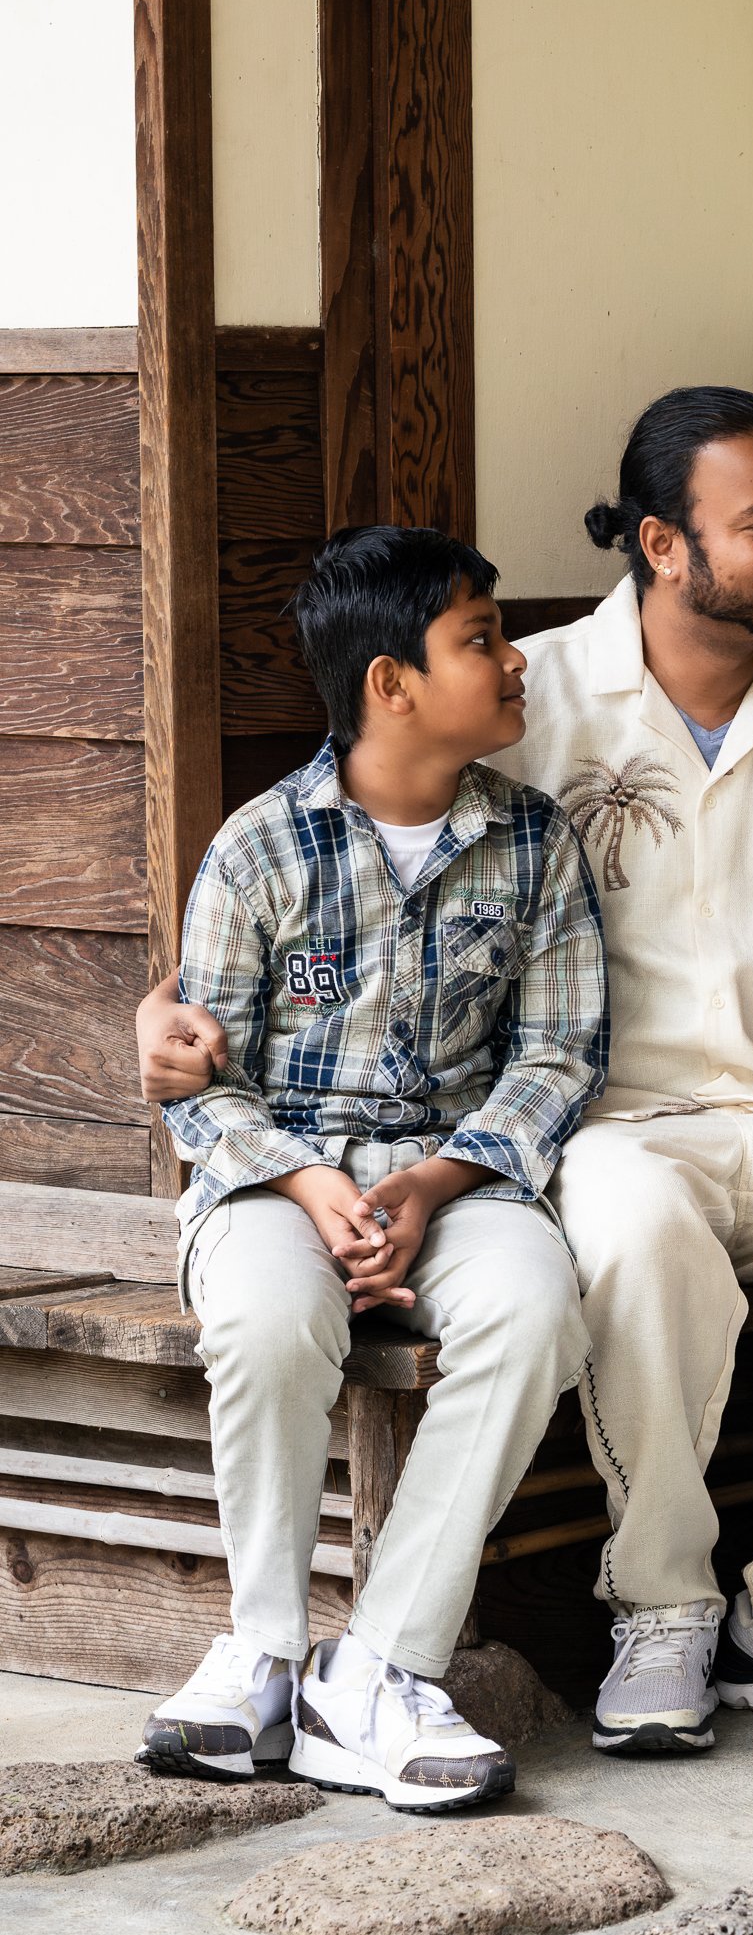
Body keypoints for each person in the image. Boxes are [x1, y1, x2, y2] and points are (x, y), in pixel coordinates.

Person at [139, 387, 753, 1758]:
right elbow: (348, 814)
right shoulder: (519, 695)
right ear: (663, 544)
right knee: (637, 1235)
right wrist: (170, 1025)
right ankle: (660, 1604)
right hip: (600, 1123)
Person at [139, 526, 605, 1810]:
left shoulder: (534, 842)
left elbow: (559, 1055)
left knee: (531, 1313)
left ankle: (384, 1664)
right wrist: (309, 1186)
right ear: (391, 683)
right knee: (268, 1317)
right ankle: (265, 1653)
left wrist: (434, 1184)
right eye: (482, 641)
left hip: (458, 1175)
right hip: (274, 1177)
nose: (516, 662)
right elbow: (201, 1083)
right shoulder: (257, 849)